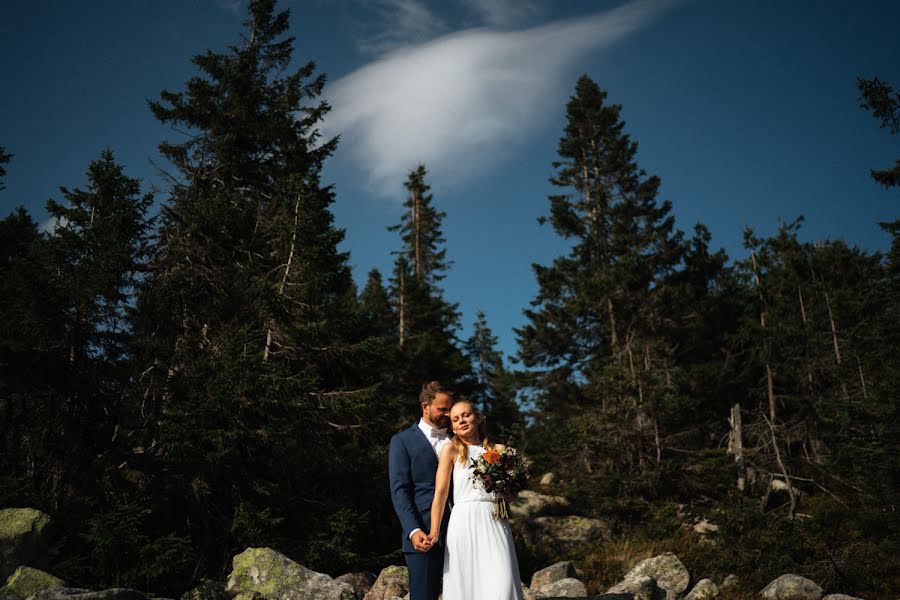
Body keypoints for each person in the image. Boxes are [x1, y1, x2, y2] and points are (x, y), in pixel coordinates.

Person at [427, 401, 524, 600]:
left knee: (502, 579)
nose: (461, 421)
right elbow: (441, 493)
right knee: (466, 582)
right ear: (452, 427)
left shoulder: (500, 450)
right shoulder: (450, 450)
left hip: (493, 518)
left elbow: (512, 496)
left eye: (466, 415)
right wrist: (434, 531)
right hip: (463, 521)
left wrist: (506, 485)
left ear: (478, 418)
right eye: (455, 419)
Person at [389, 381, 455, 600]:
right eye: (442, 409)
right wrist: (413, 530)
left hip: (461, 530)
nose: (447, 414)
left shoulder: (459, 442)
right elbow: (400, 491)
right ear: (425, 406)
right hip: (423, 534)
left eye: (450, 409)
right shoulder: (402, 441)